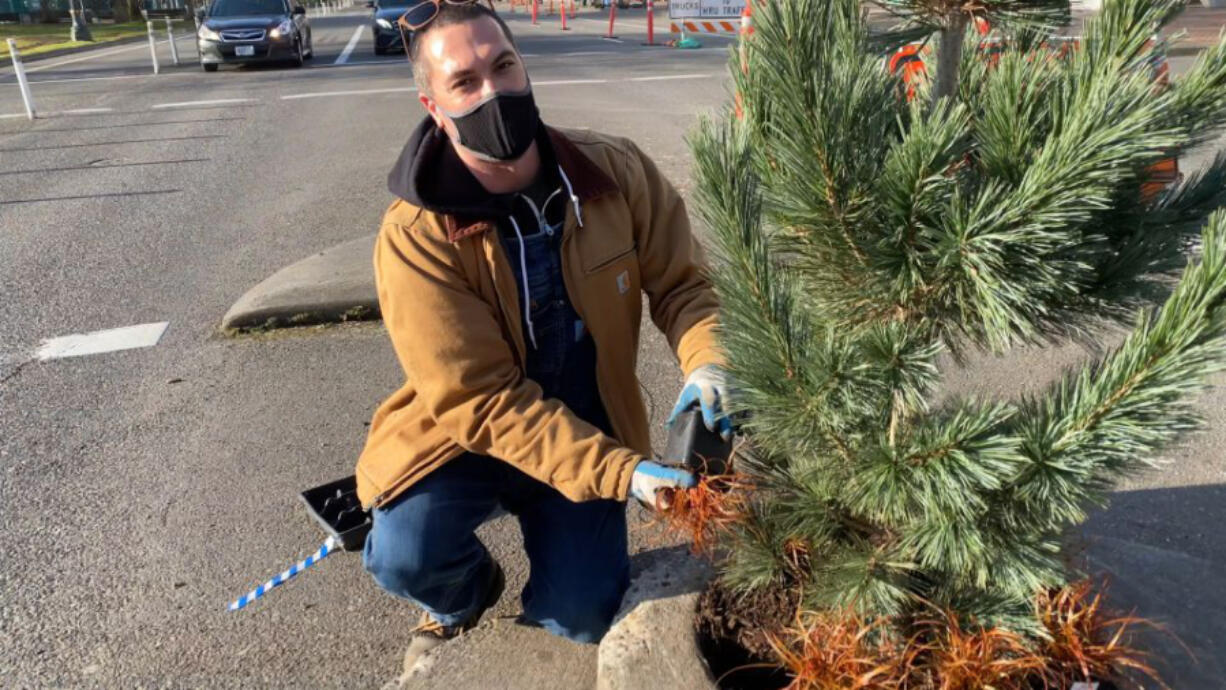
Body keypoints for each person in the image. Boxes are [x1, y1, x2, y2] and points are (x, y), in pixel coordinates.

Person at [355, 0, 731, 675]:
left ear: (524, 67)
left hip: (584, 427)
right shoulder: (415, 235)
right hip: (470, 435)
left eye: (503, 66)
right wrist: (626, 473)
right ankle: (463, 594)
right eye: (464, 83)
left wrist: (708, 365)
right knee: (405, 551)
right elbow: (481, 402)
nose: (492, 90)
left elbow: (684, 286)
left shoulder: (615, 173)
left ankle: (561, 554)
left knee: (584, 616)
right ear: (432, 105)